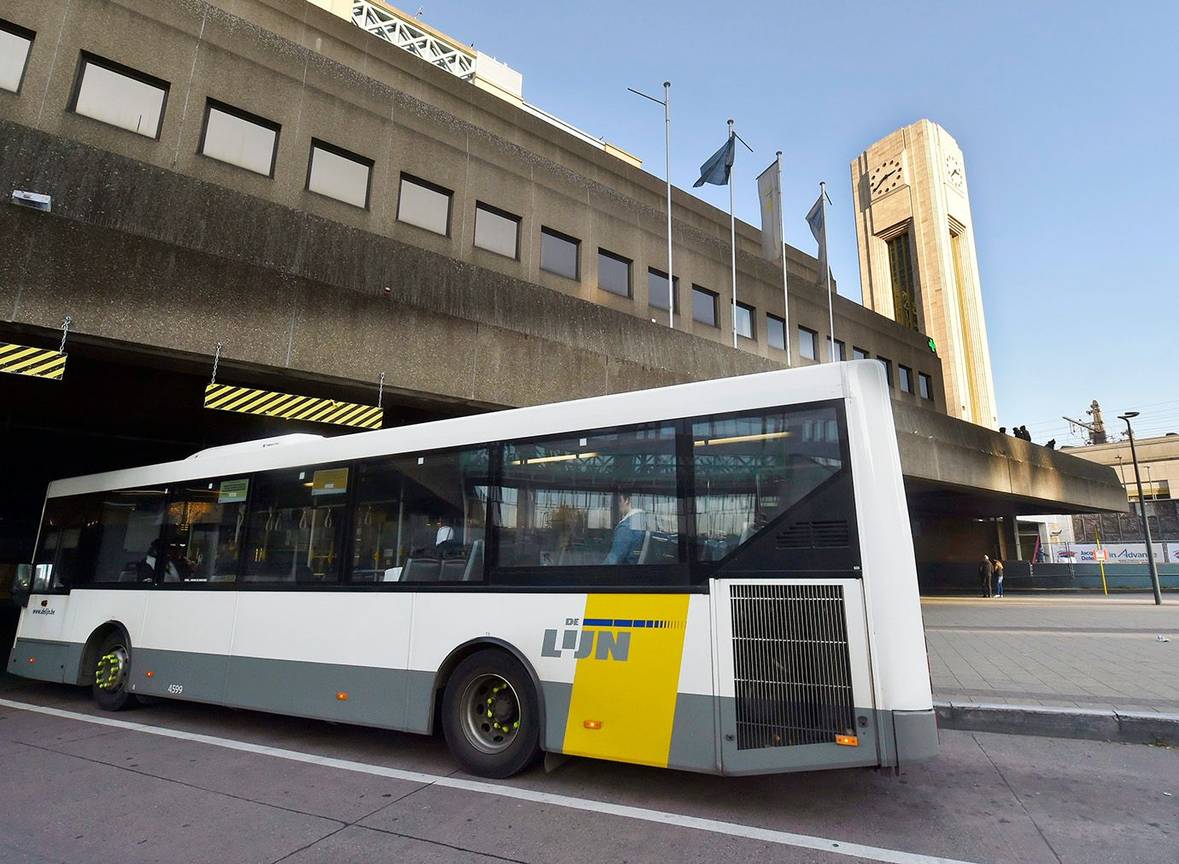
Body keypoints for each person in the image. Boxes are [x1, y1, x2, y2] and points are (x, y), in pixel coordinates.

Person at [604, 492, 648, 565]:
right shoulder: (645, 521)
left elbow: (613, 560)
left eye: (619, 501)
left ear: (627, 500)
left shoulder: (625, 528)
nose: (617, 505)